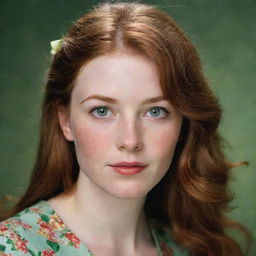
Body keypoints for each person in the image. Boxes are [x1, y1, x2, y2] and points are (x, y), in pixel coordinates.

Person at [0, 2, 250, 256]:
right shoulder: (10, 248)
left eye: (155, 111)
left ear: (184, 124)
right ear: (65, 120)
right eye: (102, 111)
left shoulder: (190, 249)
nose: (130, 141)